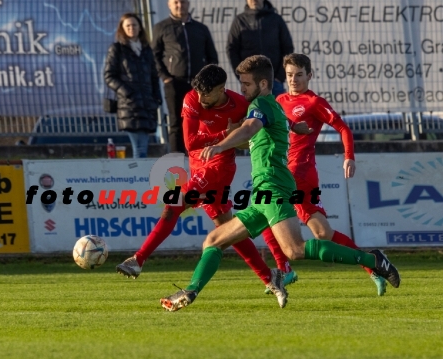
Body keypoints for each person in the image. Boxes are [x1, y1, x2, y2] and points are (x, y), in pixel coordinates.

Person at [160, 55, 401, 312]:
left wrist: (220, 145)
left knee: (295, 250)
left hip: (274, 186)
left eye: (246, 84)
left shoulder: (262, 105)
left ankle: (373, 259)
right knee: (213, 241)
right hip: (263, 193)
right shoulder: (271, 104)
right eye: (240, 84)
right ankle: (192, 290)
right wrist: (292, 127)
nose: (241, 89)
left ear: (263, 84)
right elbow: (269, 127)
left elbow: (250, 128)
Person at [116, 64, 286, 302]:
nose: (200, 98)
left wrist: (289, 128)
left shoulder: (240, 105)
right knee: (228, 232)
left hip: (218, 169)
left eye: (207, 93)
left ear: (221, 89)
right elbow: (191, 142)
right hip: (198, 165)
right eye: (198, 92)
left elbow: (253, 135)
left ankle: (138, 260)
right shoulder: (192, 98)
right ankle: (271, 278)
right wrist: (223, 134)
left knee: (174, 204)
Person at [260, 53, 387, 296]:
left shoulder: (313, 102)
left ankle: (285, 269)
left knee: (264, 212)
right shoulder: (279, 100)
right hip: (290, 172)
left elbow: (343, 127)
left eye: (299, 75)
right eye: (289, 75)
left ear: (310, 75)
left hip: (298, 171)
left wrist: (349, 156)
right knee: (323, 233)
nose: (294, 80)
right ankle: (372, 266)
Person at [152, 0, 219, 153]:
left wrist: (206, 80)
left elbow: (212, 57)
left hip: (199, 87)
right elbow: (154, 56)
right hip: (174, 83)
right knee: (176, 124)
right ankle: (178, 160)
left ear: (188, 4)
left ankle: (199, 156)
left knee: (202, 122)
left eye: (182, 2)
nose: (179, 5)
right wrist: (166, 77)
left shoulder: (201, 29)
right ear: (169, 4)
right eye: (175, 2)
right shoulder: (162, 28)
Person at [104, 13, 161, 158]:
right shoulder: (117, 49)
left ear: (140, 27)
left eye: (134, 25)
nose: (131, 28)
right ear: (122, 29)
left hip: (147, 105)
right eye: (127, 25)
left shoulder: (146, 50)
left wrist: (156, 98)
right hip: (129, 106)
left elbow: (154, 76)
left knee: (142, 149)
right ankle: (139, 179)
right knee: (140, 148)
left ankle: (139, 178)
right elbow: (109, 76)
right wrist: (128, 92)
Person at [226, 0, 293, 97]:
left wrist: (280, 76)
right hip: (250, 83)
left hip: (275, 82)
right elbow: (231, 49)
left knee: (276, 112)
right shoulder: (239, 21)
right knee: (254, 111)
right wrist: (242, 76)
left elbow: (287, 48)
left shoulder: (276, 20)